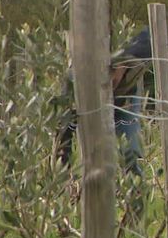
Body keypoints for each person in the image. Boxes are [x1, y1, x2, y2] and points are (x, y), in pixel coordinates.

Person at [55, 27, 153, 175]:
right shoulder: (74, 82)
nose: (109, 80)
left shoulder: (133, 53)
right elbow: (64, 132)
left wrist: (121, 61)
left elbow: (149, 37)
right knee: (96, 158)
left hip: (125, 101)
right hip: (90, 105)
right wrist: (63, 170)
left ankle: (135, 192)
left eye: (112, 72)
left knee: (130, 153)